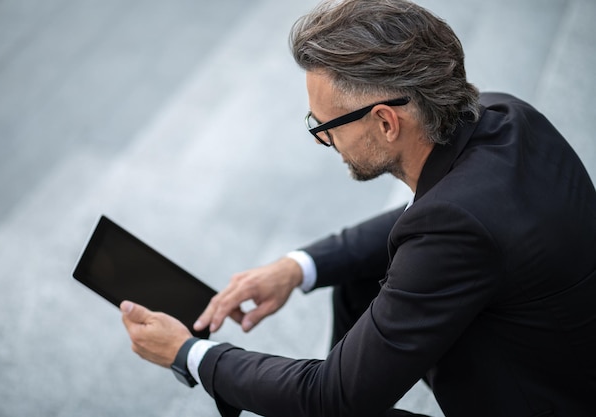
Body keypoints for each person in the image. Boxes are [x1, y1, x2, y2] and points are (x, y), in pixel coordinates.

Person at [120, 0, 596, 416]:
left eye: (325, 125)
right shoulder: (504, 114)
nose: (324, 139)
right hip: (557, 352)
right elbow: (435, 220)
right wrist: (297, 267)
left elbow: (331, 397)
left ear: (386, 122)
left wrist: (191, 354)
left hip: (541, 401)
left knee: (322, 404)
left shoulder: (456, 227)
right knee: (356, 287)